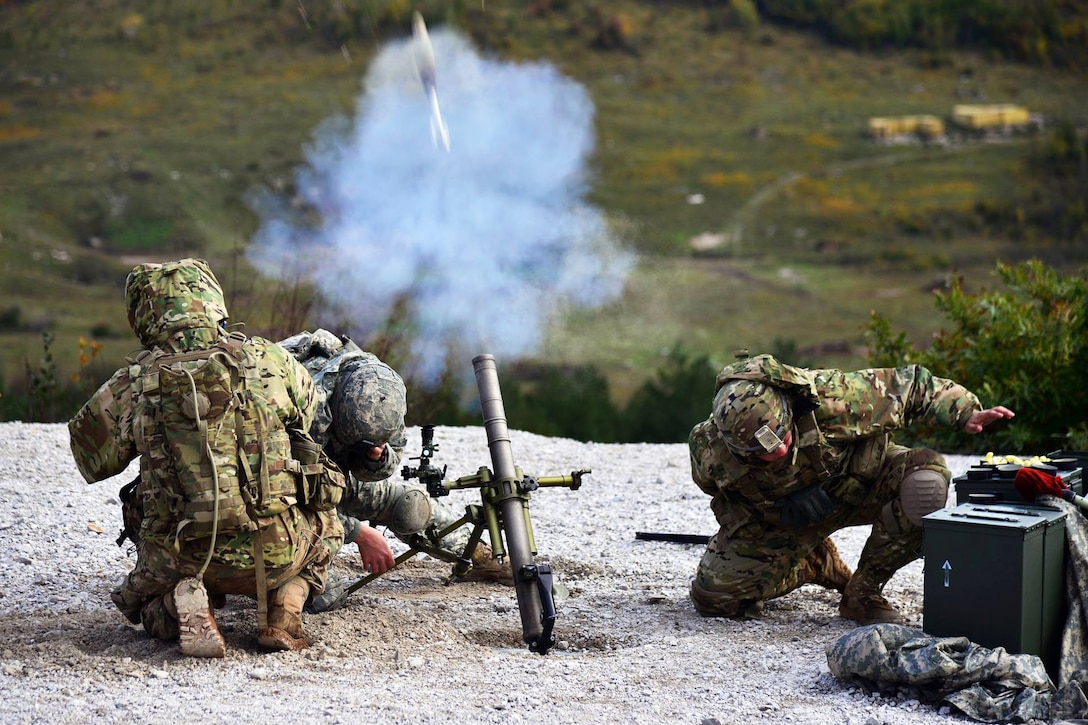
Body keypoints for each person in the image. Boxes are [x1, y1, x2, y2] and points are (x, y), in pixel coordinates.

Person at [69, 259, 344, 656]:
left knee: (146, 605)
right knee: (327, 520)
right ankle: (286, 606)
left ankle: (177, 601)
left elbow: (89, 460)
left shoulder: (132, 384)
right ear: (213, 301)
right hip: (276, 547)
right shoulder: (270, 359)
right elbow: (307, 416)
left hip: (180, 555)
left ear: (143, 315)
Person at [687, 352, 1014, 625]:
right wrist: (772, 511)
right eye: (765, 452)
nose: (781, 451)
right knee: (715, 598)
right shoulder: (709, 451)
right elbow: (727, 503)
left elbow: (912, 386)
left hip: (863, 486)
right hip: (788, 520)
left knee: (926, 483)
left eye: (783, 436)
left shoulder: (832, 398)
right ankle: (813, 563)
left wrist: (965, 411)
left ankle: (864, 593)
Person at [278, 329, 511, 612]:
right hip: (282, 498)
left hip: (329, 475)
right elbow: (289, 492)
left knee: (410, 506)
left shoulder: (378, 391)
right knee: (329, 595)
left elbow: (387, 463)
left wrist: (376, 458)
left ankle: (483, 557)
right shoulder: (301, 404)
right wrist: (359, 533)